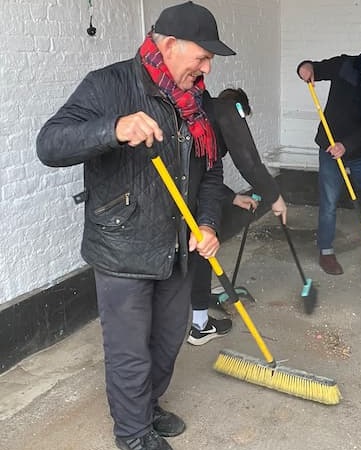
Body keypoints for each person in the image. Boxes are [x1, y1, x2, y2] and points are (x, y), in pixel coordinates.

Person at [36, 2, 235, 449]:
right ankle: (132, 434)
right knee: (129, 353)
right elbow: (49, 144)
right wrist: (114, 128)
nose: (206, 69)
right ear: (168, 46)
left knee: (167, 341)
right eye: (201, 57)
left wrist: (205, 222)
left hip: (177, 244)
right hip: (122, 242)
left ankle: (146, 406)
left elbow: (212, 171)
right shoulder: (109, 85)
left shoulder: (195, 101)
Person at [187, 87, 287, 345]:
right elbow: (247, 160)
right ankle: (199, 326)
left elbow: (206, 172)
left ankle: (191, 305)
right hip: (188, 201)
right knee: (201, 253)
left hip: (183, 194)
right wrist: (274, 197)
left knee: (195, 255)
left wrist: (232, 197)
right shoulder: (218, 123)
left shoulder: (201, 115)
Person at [296, 31, 361, 275]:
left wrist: (347, 145)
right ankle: (326, 252)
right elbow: (315, 68)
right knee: (329, 201)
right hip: (329, 148)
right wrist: (305, 68)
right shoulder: (345, 65)